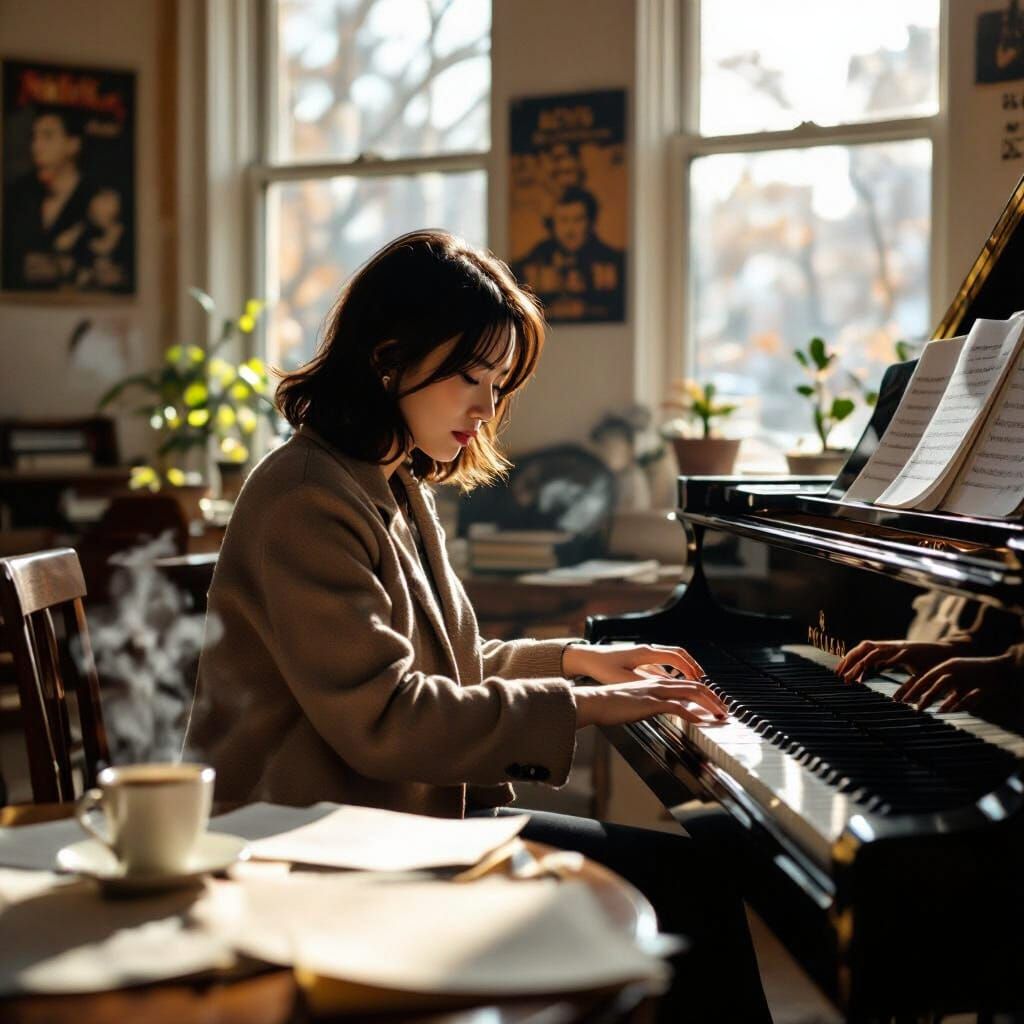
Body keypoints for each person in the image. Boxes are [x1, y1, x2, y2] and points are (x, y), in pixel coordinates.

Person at [185, 230, 770, 1021]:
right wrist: (584, 706)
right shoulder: (305, 498)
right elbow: (387, 718)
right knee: (688, 885)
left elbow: (451, 663)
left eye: (499, 383)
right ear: (389, 358)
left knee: (693, 878)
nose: (489, 408)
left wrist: (580, 660)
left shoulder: (390, 481)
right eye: (471, 375)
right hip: (308, 847)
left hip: (398, 822)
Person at [2, 106, 93, 290]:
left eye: (47, 136)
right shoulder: (15, 194)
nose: (36, 147)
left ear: (72, 144)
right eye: (34, 137)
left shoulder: (97, 196)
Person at [512, 185, 625, 321]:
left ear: (591, 222)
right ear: (553, 223)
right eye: (563, 220)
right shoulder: (533, 260)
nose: (570, 230)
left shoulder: (614, 261)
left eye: (578, 220)